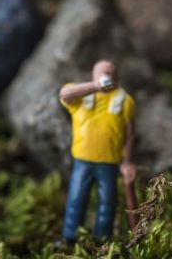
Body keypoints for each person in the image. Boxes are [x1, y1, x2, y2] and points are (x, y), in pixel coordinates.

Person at [58, 60, 137, 244]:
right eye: (103, 71)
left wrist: (127, 161)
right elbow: (64, 94)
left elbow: (130, 135)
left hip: (109, 163)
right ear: (94, 74)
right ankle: (69, 237)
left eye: (110, 71)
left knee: (108, 203)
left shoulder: (125, 100)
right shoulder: (80, 95)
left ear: (116, 76)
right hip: (82, 161)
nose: (107, 74)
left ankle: (103, 240)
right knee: (76, 199)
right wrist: (95, 86)